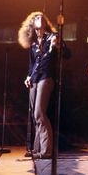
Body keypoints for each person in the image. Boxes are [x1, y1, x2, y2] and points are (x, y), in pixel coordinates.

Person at [18, 11, 58, 159]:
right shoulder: (33, 44)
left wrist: (57, 45)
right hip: (34, 79)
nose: (39, 17)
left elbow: (67, 53)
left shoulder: (53, 37)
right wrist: (28, 76)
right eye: (35, 17)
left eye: (41, 16)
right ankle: (37, 149)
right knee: (35, 117)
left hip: (46, 78)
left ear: (45, 21)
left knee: (39, 113)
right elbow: (32, 64)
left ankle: (47, 151)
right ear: (31, 24)